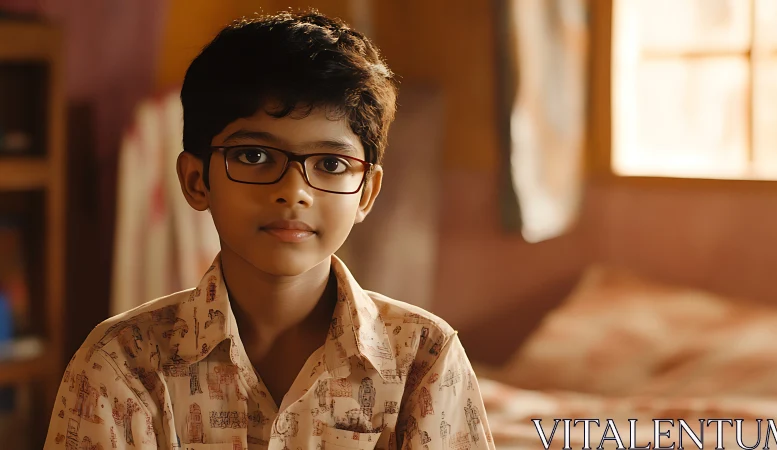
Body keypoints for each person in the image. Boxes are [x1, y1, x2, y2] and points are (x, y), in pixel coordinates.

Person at [44, 10, 495, 450]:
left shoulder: (422, 358)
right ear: (196, 181)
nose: (294, 191)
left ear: (366, 193)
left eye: (331, 164)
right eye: (255, 156)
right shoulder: (121, 365)